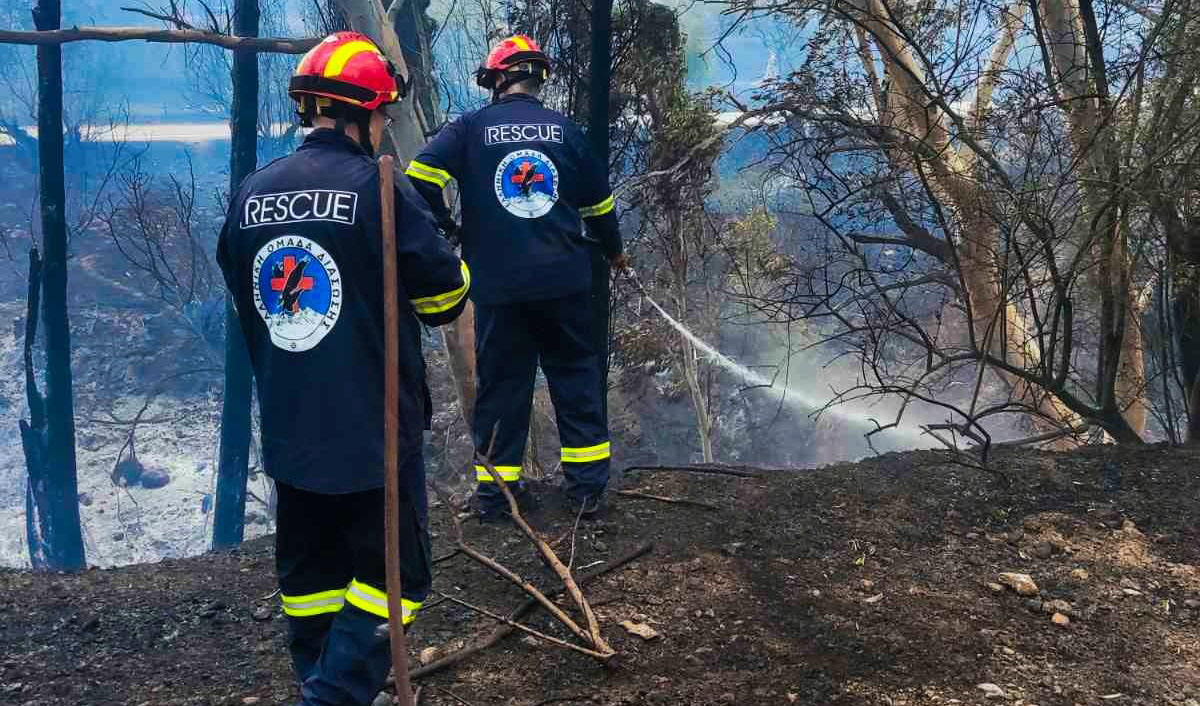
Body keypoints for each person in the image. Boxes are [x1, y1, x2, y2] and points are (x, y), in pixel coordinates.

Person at [216, 31, 470, 706]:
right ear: (361, 114)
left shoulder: (251, 193)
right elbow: (446, 299)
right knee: (400, 577)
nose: (384, 128)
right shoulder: (379, 188)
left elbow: (245, 296)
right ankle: (332, 696)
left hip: (292, 425)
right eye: (384, 115)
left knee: (310, 580)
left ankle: (322, 678)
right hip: (374, 431)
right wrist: (450, 249)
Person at [404, 34, 625, 521]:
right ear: (538, 79)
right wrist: (614, 253)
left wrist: (445, 224)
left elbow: (419, 177)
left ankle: (496, 497)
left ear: (497, 79)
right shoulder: (565, 131)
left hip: (500, 288)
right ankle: (587, 491)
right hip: (565, 285)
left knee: (502, 387)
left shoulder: (470, 129)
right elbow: (600, 206)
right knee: (576, 380)